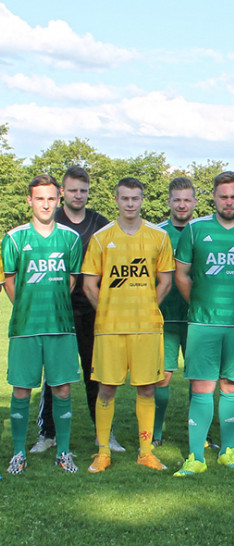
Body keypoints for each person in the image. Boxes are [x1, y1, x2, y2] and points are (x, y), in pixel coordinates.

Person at [173, 171, 234, 477]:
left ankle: (228, 451)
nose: (228, 202)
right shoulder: (195, 229)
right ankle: (195, 456)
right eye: (223, 196)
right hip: (203, 323)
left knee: (232, 386)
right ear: (213, 198)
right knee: (202, 386)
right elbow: (182, 274)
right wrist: (200, 304)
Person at [30, 166, 125, 454]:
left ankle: (104, 435)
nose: (78, 195)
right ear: (62, 193)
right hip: (57, 311)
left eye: (83, 190)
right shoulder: (51, 220)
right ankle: (48, 434)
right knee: (55, 375)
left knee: (96, 373)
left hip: (93, 310)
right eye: (72, 190)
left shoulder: (101, 224)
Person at [83, 177, 174, 473]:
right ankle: (102, 452)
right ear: (117, 200)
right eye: (125, 198)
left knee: (147, 388)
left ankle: (145, 452)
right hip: (110, 328)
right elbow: (88, 285)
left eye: (136, 198)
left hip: (147, 327)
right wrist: (108, 310)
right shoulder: (101, 237)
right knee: (106, 388)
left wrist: (147, 307)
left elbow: (166, 280)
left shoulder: (158, 237)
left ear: (142, 199)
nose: (131, 204)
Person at [2, 174, 83, 474]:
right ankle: (19, 453)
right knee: (22, 389)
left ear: (59, 199)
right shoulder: (14, 238)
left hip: (61, 326)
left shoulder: (71, 239)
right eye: (40, 198)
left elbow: (71, 280)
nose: (46, 204)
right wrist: (27, 307)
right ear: (30, 200)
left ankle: (63, 452)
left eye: (51, 198)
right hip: (25, 327)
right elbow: (9, 281)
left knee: (62, 389)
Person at [152, 177, 198, 446]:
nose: (182, 205)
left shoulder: (204, 231)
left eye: (187, 200)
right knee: (163, 377)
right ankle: (156, 434)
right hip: (165, 317)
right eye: (177, 200)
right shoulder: (157, 233)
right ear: (169, 202)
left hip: (197, 318)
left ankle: (198, 434)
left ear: (194, 202)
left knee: (198, 378)